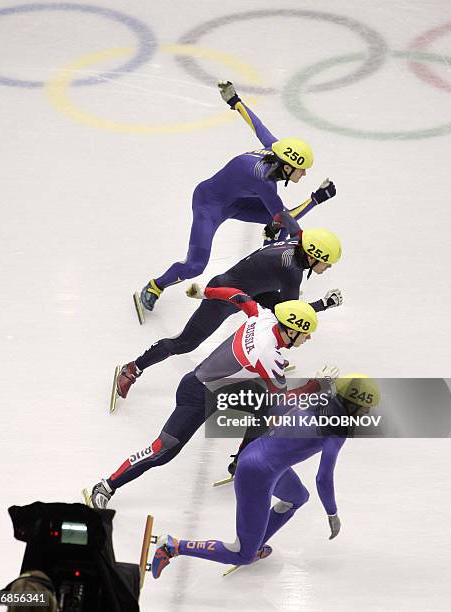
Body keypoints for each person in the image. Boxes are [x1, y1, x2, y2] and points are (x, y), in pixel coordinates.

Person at [89, 289, 323, 510]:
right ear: (292, 330)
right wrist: (314, 385)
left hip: (212, 388)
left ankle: (241, 461)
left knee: (264, 404)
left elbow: (239, 296)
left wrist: (204, 292)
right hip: (196, 396)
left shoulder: (264, 317)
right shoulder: (267, 355)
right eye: (307, 332)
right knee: (163, 451)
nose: (310, 337)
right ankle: (106, 486)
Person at [150, 374, 380, 578]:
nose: (368, 413)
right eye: (364, 408)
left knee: (298, 497)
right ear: (350, 405)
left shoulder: (320, 399)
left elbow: (277, 407)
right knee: (241, 554)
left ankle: (255, 543)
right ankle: (173, 546)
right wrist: (332, 513)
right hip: (257, 475)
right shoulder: (337, 431)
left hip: (259, 456)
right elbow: (323, 479)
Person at [138, 80, 336, 312]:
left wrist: (235, 101)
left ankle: (271, 266)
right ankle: (155, 286)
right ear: (288, 166)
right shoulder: (264, 181)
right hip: (208, 206)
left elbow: (258, 127)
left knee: (278, 224)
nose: (304, 174)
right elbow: (289, 219)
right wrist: (315, 199)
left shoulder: (275, 149)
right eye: (302, 169)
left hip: (237, 202)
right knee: (195, 266)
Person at [117, 228, 343, 399]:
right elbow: (294, 316)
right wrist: (323, 304)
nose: (329, 268)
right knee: (184, 344)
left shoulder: (296, 242)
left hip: (251, 289)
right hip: (226, 297)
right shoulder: (292, 271)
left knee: (274, 319)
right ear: (313, 255)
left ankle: (270, 358)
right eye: (328, 263)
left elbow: (286, 221)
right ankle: (133, 368)